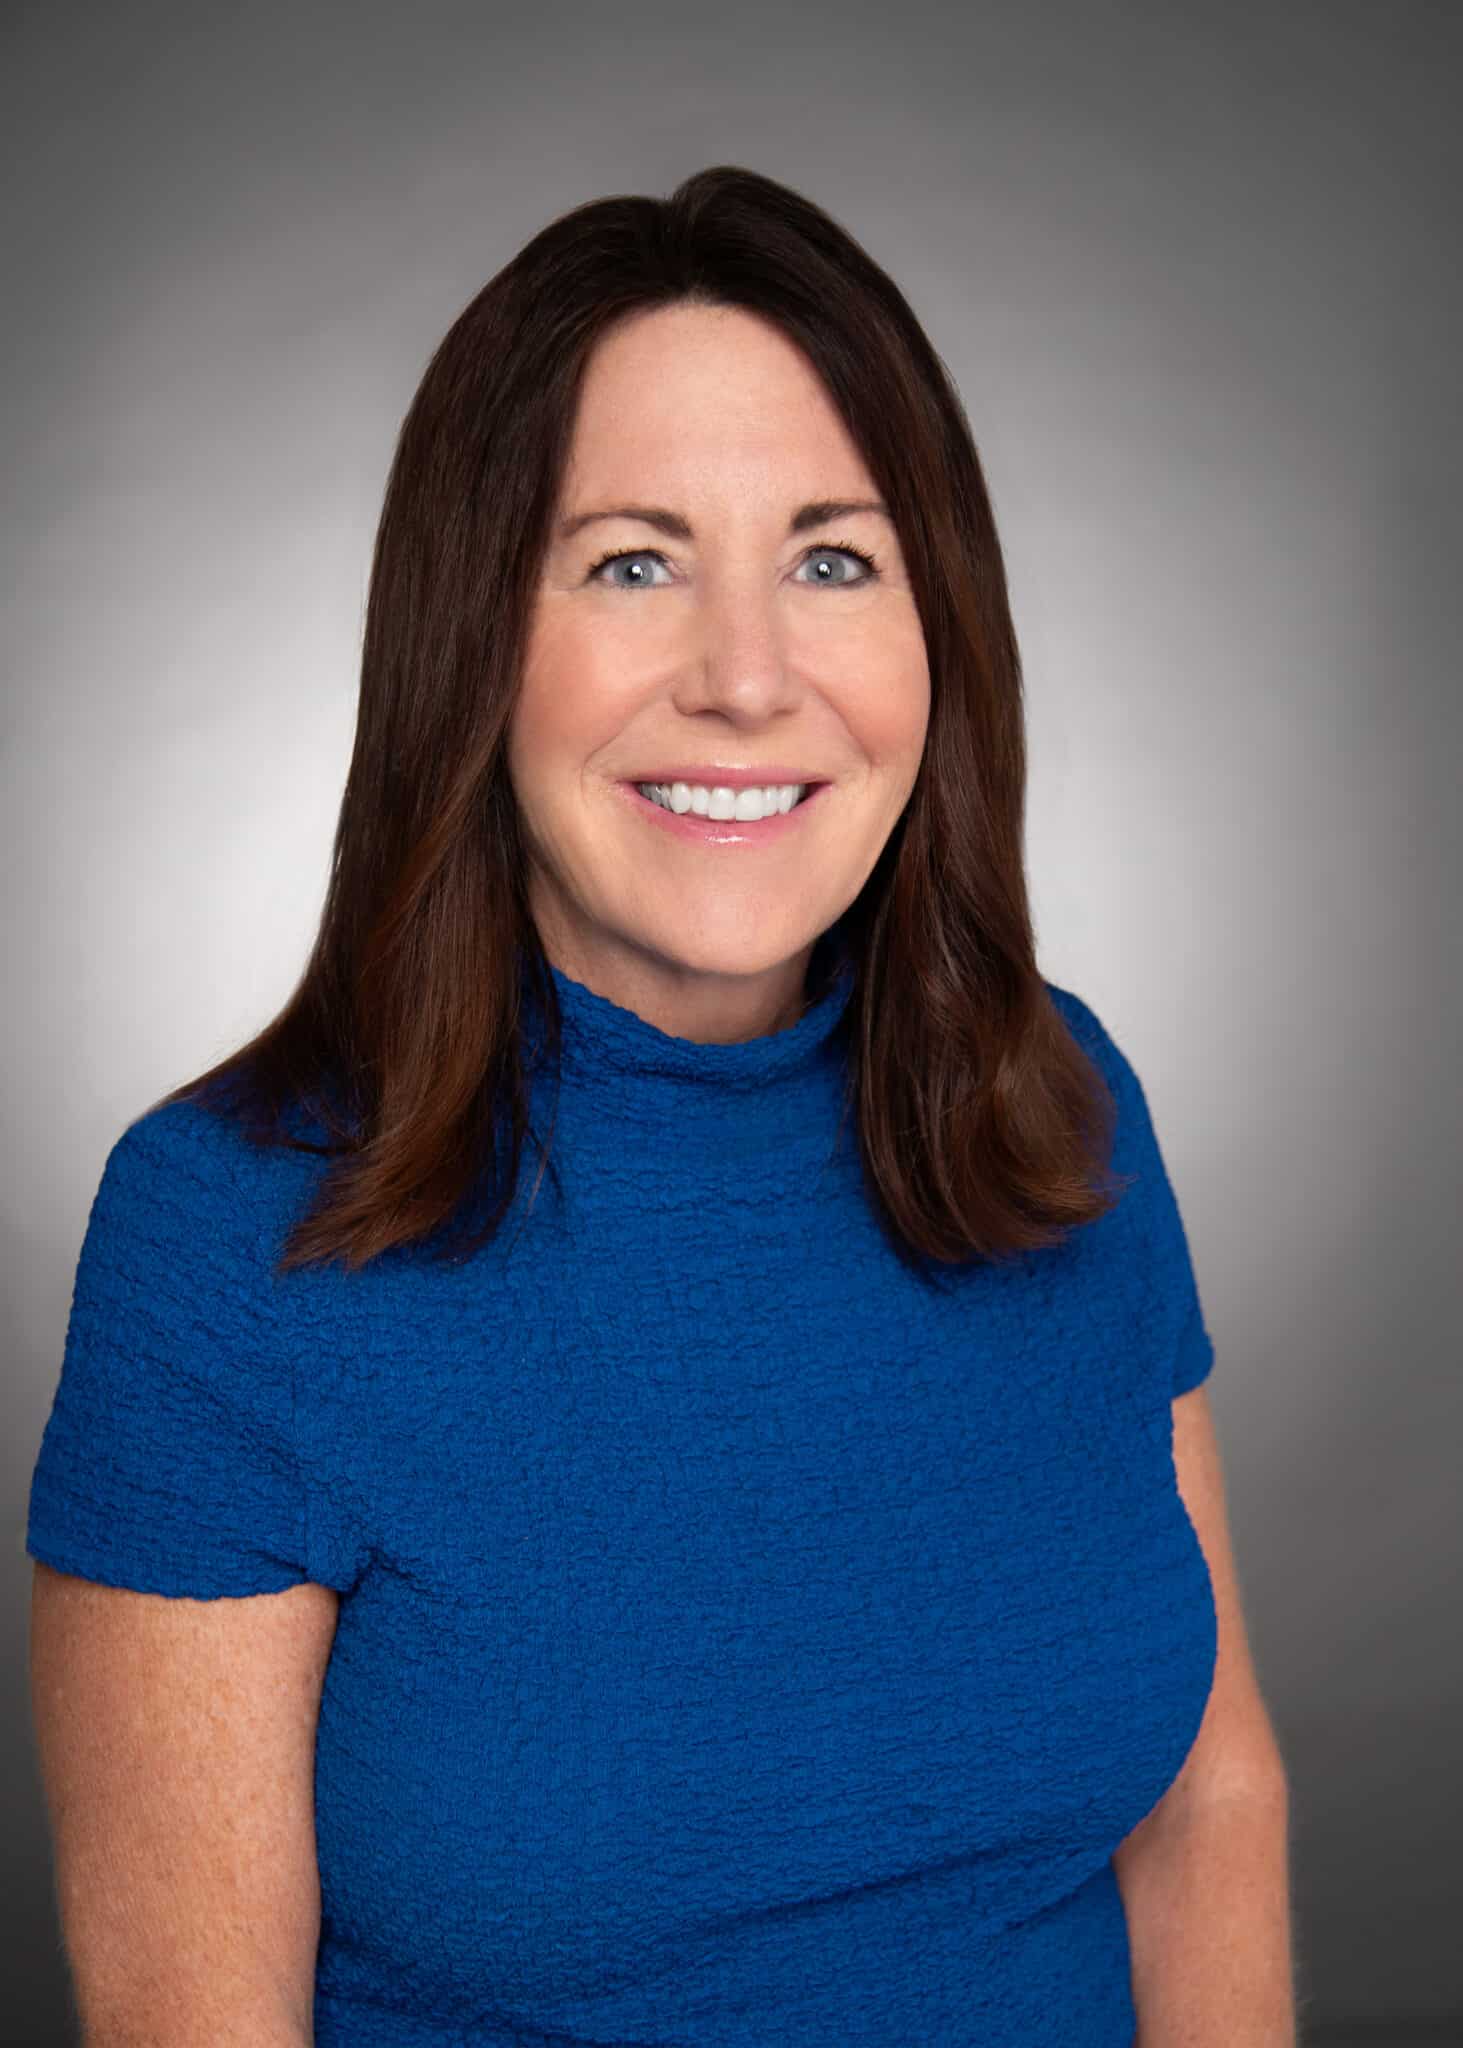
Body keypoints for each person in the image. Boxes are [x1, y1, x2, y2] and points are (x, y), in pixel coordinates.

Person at [25, 164, 1294, 2047]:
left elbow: (1211, 1807)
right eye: (632, 561)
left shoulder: (1061, 1105)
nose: (748, 677)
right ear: (474, 645)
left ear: (937, 634)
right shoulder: (227, 1232)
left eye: (833, 558)